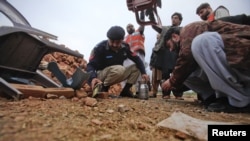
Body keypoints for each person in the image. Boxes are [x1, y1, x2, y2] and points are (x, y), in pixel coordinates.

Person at [161, 21, 250, 113]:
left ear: (174, 37)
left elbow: (187, 55)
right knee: (185, 72)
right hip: (235, 66)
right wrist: (175, 80)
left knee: (201, 42)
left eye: (169, 46)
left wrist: (172, 81)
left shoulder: (188, 29)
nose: (171, 50)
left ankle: (239, 99)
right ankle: (214, 97)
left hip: (244, 59)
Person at [86, 25, 149, 98]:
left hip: (117, 72)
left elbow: (137, 59)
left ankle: (125, 90)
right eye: (112, 41)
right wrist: (93, 78)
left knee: (136, 68)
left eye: (118, 42)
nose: (115, 45)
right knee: (120, 69)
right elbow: (90, 65)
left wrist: (144, 73)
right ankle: (103, 89)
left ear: (122, 40)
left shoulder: (125, 47)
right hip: (100, 75)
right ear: (108, 39)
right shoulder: (100, 48)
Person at [151, 12, 187, 100]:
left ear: (180, 20)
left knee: (177, 72)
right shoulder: (166, 28)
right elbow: (155, 26)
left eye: (176, 18)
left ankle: (178, 94)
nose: (173, 19)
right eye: (172, 18)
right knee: (165, 74)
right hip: (165, 54)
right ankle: (166, 93)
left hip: (177, 54)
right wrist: (151, 16)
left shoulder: (183, 29)